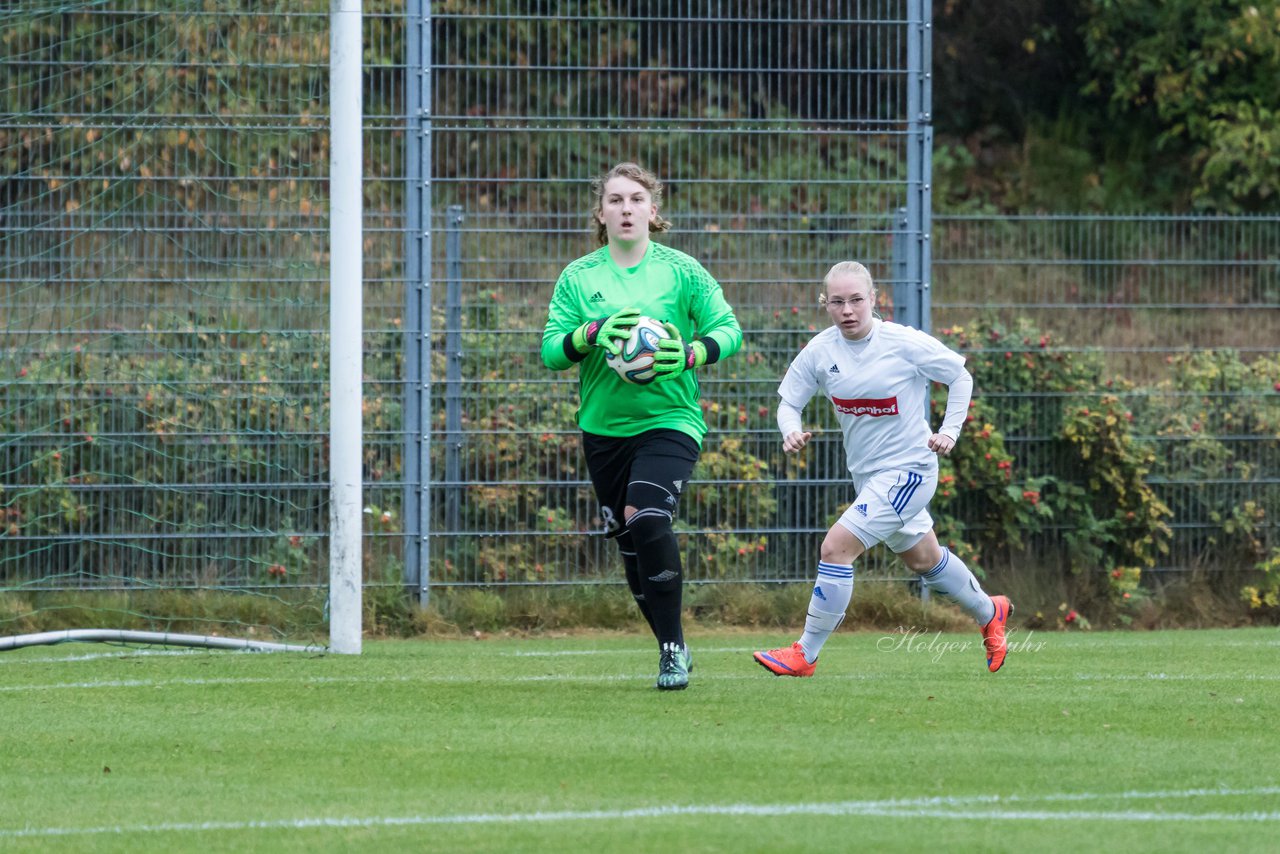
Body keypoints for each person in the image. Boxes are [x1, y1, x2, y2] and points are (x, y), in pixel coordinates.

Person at [753, 261, 1012, 677]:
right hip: (869, 478)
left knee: (835, 548)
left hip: (910, 470)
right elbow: (789, 402)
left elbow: (959, 376)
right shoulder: (821, 351)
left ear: (874, 300)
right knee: (923, 559)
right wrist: (791, 430)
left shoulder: (901, 343)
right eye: (837, 302)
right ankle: (990, 611)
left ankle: (805, 653)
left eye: (857, 300)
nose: (848, 310)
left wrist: (949, 431)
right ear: (826, 305)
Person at [541, 162, 743, 690]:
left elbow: (730, 329)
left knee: (647, 517)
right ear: (601, 212)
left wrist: (691, 353)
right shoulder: (579, 278)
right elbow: (550, 351)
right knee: (629, 542)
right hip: (604, 430)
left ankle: (673, 649)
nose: (625, 208)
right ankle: (670, 644)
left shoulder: (682, 271)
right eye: (615, 200)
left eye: (635, 199)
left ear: (653, 212)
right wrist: (593, 331)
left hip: (670, 420)